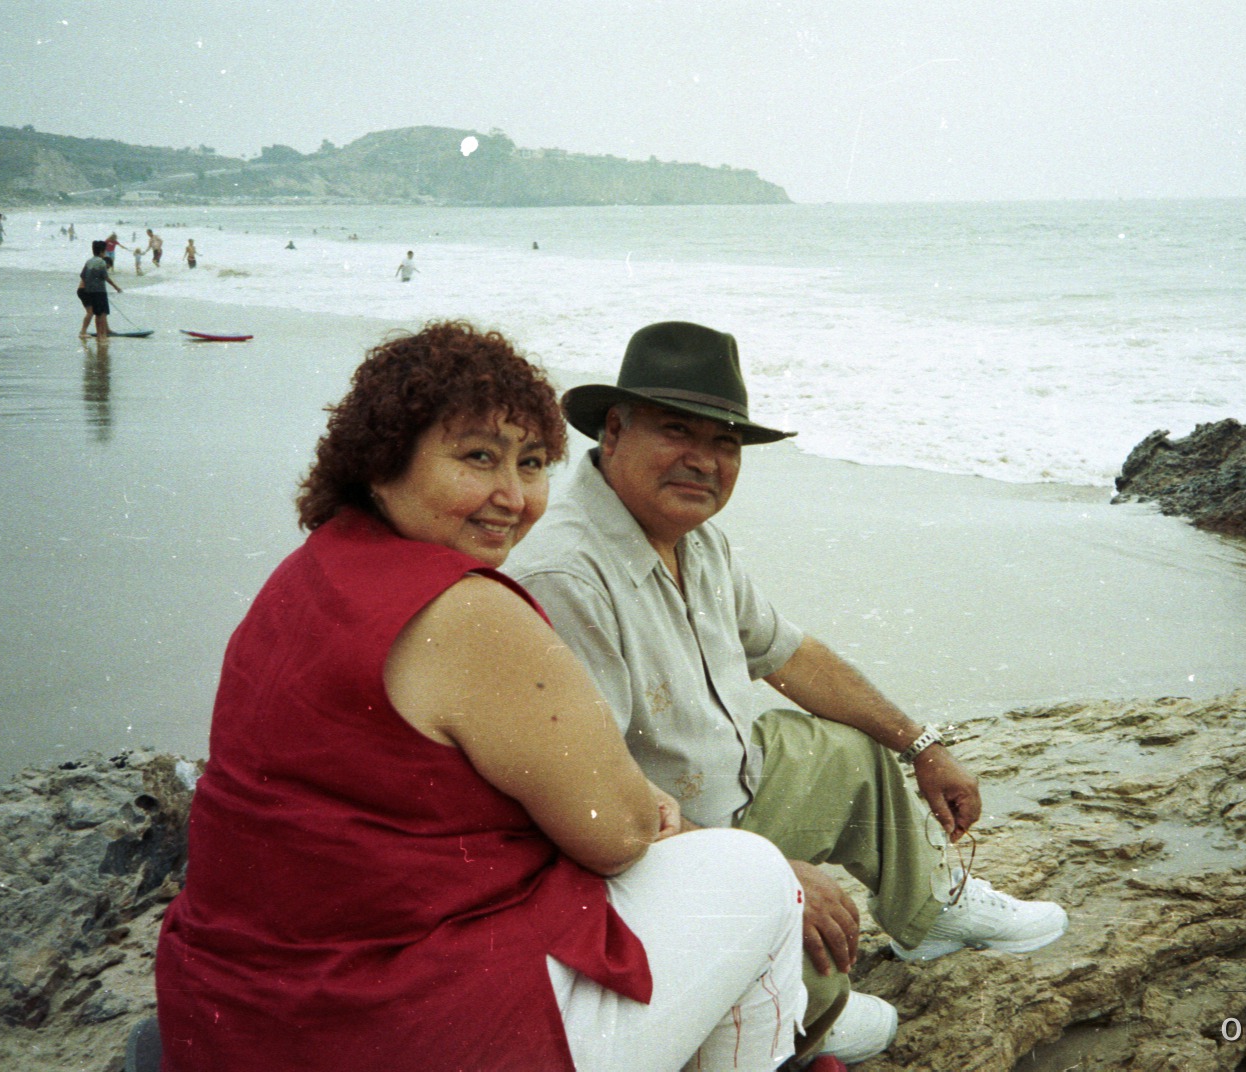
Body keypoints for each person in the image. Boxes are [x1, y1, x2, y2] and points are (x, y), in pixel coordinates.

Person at [154, 321, 806, 1072]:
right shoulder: (466, 612)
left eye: (531, 464)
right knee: (754, 874)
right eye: (477, 457)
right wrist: (639, 807)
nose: (513, 497)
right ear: (382, 460)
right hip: (383, 1025)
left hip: (234, 1008)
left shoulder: (305, 574)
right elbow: (618, 833)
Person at [507, 321, 1070, 1065]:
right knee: (815, 975)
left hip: (720, 796)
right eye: (678, 431)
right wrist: (765, 875)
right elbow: (592, 805)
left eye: (726, 443)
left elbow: (792, 656)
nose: (704, 461)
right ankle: (815, 1021)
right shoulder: (568, 572)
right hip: (642, 858)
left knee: (849, 746)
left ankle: (929, 914)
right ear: (614, 430)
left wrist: (923, 743)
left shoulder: (696, 538)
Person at [76, 239, 122, 340]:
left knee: (96, 313)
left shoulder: (88, 261)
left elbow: (83, 275)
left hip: (90, 291)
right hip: (99, 291)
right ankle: (102, 335)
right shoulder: (101, 262)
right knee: (102, 313)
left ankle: (101, 334)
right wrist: (116, 287)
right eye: (105, 251)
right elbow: (105, 277)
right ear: (102, 252)